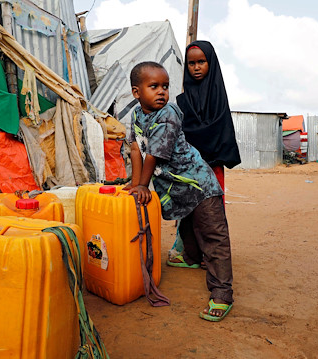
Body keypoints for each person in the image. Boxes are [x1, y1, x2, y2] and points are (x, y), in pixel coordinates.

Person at [127, 61, 234, 322]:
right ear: (136, 92)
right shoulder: (135, 116)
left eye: (165, 86)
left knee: (213, 235)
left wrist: (143, 185)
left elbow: (153, 154)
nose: (162, 92)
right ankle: (190, 257)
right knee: (187, 223)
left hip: (199, 184)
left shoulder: (169, 113)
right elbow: (135, 149)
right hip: (178, 188)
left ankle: (222, 293)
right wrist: (134, 183)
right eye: (154, 86)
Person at [167, 40, 241, 267]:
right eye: (191, 63)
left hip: (212, 165)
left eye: (201, 62)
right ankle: (192, 254)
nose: (196, 67)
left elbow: (220, 130)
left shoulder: (218, 98)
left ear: (211, 63)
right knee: (187, 209)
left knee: (211, 213)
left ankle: (212, 258)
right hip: (189, 166)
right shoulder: (182, 100)